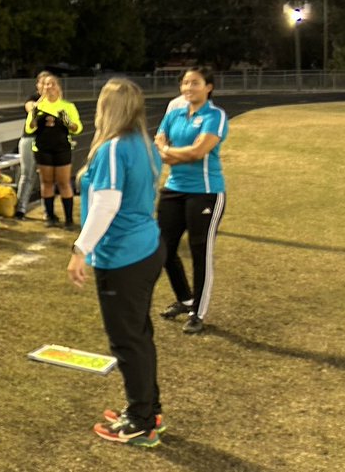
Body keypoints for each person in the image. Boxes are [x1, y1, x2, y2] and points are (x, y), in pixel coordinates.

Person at [67, 78, 165, 448]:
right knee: (139, 335)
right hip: (145, 248)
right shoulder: (144, 145)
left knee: (127, 340)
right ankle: (147, 409)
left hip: (124, 256)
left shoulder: (112, 148)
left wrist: (80, 251)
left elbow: (107, 205)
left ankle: (141, 419)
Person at [155, 67, 228, 334]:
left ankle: (198, 311)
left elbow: (199, 151)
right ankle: (185, 299)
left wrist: (169, 151)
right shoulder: (174, 114)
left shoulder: (215, 115)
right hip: (174, 189)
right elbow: (159, 142)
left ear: (208, 87)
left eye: (195, 83)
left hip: (205, 191)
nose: (188, 88)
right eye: (185, 83)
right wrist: (172, 152)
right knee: (162, 248)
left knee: (200, 253)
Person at [26, 74, 83, 228]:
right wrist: (34, 116)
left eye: (52, 84)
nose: (49, 87)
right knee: (47, 182)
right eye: (46, 84)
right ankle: (50, 216)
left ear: (58, 87)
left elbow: (77, 129)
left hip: (62, 148)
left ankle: (69, 219)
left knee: (64, 182)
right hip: (42, 149)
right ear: (41, 88)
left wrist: (69, 122)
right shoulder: (37, 107)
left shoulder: (67, 106)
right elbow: (29, 128)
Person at [15, 73, 51, 220]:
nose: (46, 87)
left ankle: (48, 210)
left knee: (47, 176)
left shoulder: (57, 102)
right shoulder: (33, 98)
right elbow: (32, 109)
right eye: (43, 83)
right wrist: (44, 96)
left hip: (47, 141)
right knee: (27, 175)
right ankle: (20, 209)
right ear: (37, 85)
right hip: (30, 140)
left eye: (49, 84)